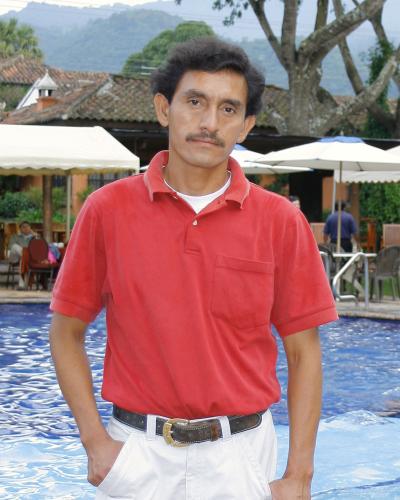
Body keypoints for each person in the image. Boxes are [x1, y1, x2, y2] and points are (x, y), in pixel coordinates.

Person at [49, 37, 338, 500]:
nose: (209, 123)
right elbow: (66, 332)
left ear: (246, 125)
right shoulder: (106, 211)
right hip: (137, 455)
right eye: (195, 102)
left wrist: (299, 473)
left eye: (228, 109)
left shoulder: (281, 221)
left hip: (241, 458)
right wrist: (95, 442)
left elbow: (304, 352)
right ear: (164, 109)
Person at [8, 220, 36, 288]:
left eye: (28, 227)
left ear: (30, 228)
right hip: (14, 257)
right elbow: (10, 247)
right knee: (15, 246)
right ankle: (24, 255)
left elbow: (40, 247)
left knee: (23, 259)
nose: (26, 228)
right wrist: (24, 251)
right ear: (20, 229)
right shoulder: (15, 236)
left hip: (25, 259)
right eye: (24, 227)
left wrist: (35, 236)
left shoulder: (33, 237)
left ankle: (22, 285)